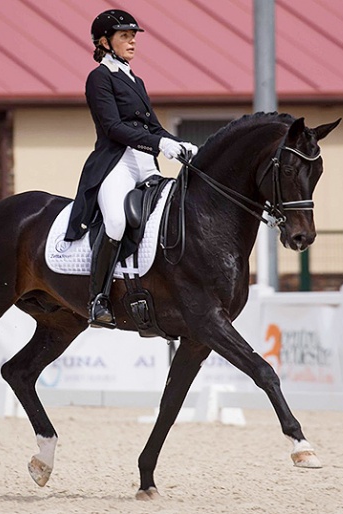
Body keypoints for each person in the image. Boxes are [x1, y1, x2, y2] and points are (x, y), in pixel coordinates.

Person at [65, 9, 198, 328]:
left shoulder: (134, 79)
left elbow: (152, 125)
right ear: (104, 42)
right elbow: (112, 127)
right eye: (125, 36)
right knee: (115, 220)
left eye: (133, 36)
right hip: (116, 163)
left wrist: (177, 143)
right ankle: (97, 299)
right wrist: (158, 145)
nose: (132, 42)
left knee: (170, 216)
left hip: (144, 164)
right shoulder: (99, 77)